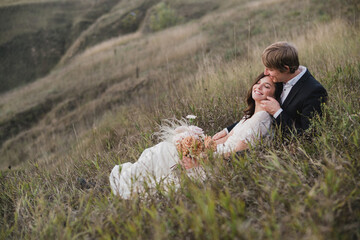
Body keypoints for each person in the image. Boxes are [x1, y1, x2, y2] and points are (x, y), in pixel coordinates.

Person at [109, 73, 282, 199]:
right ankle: (130, 177)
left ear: (274, 97)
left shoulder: (261, 120)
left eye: (266, 86)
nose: (258, 86)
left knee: (162, 152)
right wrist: (198, 145)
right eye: (258, 82)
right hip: (213, 155)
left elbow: (237, 153)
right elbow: (226, 140)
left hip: (217, 166)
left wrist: (201, 160)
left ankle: (129, 183)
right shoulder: (250, 117)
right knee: (165, 150)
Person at [213, 41, 327, 141]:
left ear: (286, 68)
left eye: (270, 69)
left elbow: (309, 135)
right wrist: (227, 131)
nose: (266, 73)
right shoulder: (277, 77)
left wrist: (277, 112)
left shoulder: (313, 92)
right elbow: (256, 116)